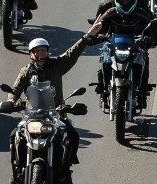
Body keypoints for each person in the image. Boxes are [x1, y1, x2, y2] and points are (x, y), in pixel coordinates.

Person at [6, 18, 103, 184]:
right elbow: (15, 90)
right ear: (31, 54)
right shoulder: (26, 71)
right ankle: (17, 173)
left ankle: (65, 169)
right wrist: (10, 101)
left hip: (56, 113)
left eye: (44, 50)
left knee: (72, 135)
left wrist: (89, 34)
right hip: (32, 115)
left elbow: (74, 52)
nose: (42, 53)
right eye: (38, 51)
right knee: (15, 136)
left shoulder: (57, 65)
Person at [94, 0, 157, 105]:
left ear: (133, 0)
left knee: (143, 59)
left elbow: (154, 26)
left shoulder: (140, 13)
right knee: (104, 58)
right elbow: (98, 26)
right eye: (122, 0)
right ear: (117, 0)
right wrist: (95, 35)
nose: (125, 2)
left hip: (136, 43)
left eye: (128, 0)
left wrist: (152, 38)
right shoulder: (110, 12)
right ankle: (102, 88)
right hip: (113, 43)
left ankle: (142, 91)